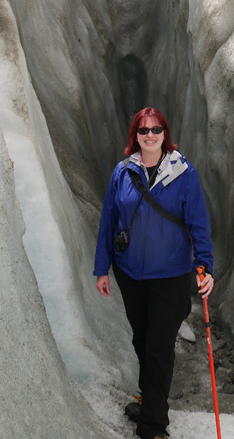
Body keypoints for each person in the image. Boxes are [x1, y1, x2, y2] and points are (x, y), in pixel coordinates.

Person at [94, 107, 214, 439]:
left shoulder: (183, 173)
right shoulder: (123, 172)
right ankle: (150, 401)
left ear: (165, 134)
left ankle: (153, 426)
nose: (150, 135)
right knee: (143, 339)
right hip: (130, 273)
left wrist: (204, 265)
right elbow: (109, 221)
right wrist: (101, 268)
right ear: (135, 136)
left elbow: (198, 223)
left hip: (170, 275)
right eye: (143, 130)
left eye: (156, 129)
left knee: (159, 347)